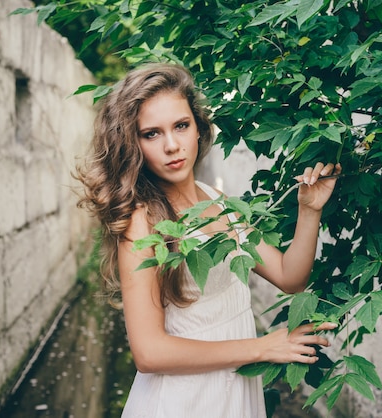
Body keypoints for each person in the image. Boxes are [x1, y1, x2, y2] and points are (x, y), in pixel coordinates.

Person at [75, 63, 342, 417]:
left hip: (232, 389)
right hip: (185, 400)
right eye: (151, 134)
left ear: (199, 129)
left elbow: (289, 277)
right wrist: (262, 347)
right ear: (132, 143)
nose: (172, 145)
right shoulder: (143, 220)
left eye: (181, 126)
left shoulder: (214, 199)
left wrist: (309, 211)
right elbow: (149, 353)